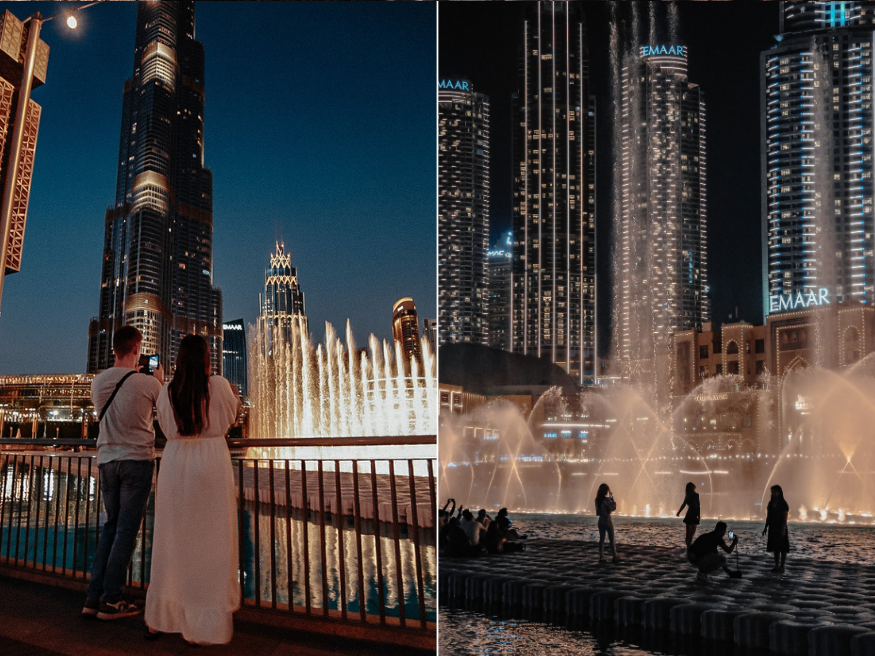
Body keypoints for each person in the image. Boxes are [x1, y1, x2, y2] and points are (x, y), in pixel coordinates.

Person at [144, 335, 242, 645]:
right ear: (205, 358)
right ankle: (204, 622)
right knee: (211, 541)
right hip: (212, 463)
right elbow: (229, 421)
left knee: (172, 538)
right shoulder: (220, 386)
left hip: (176, 464)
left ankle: (162, 617)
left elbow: (164, 427)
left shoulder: (167, 392)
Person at [83, 326, 164, 620]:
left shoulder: (98, 382)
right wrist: (159, 378)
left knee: (110, 527)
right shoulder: (147, 383)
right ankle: (112, 599)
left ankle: (93, 597)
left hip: (107, 461)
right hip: (136, 461)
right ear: (136, 349)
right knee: (126, 532)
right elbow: (165, 411)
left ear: (114, 349)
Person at [763, 484, 790, 573]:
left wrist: (783, 527)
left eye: (775, 492)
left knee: (783, 547)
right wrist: (765, 527)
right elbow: (768, 516)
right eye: (772, 492)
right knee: (775, 547)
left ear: (779, 492)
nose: (773, 493)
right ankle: (776, 565)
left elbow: (785, 516)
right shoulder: (770, 503)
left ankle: (782, 566)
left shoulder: (783, 503)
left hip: (780, 527)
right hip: (773, 527)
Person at [595, 483, 619, 563]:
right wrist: (612, 499)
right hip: (607, 520)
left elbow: (598, 512)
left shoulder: (597, 500)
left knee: (601, 539)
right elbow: (613, 507)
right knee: (611, 539)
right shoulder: (607, 500)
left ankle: (601, 556)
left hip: (600, 520)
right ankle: (614, 555)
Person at [676, 482, 701, 547]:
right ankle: (689, 545)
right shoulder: (696, 495)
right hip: (694, 514)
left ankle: (687, 545)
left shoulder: (688, 495)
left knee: (688, 532)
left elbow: (683, 505)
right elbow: (698, 506)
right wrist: (699, 515)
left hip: (689, 514)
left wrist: (679, 512)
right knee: (692, 531)